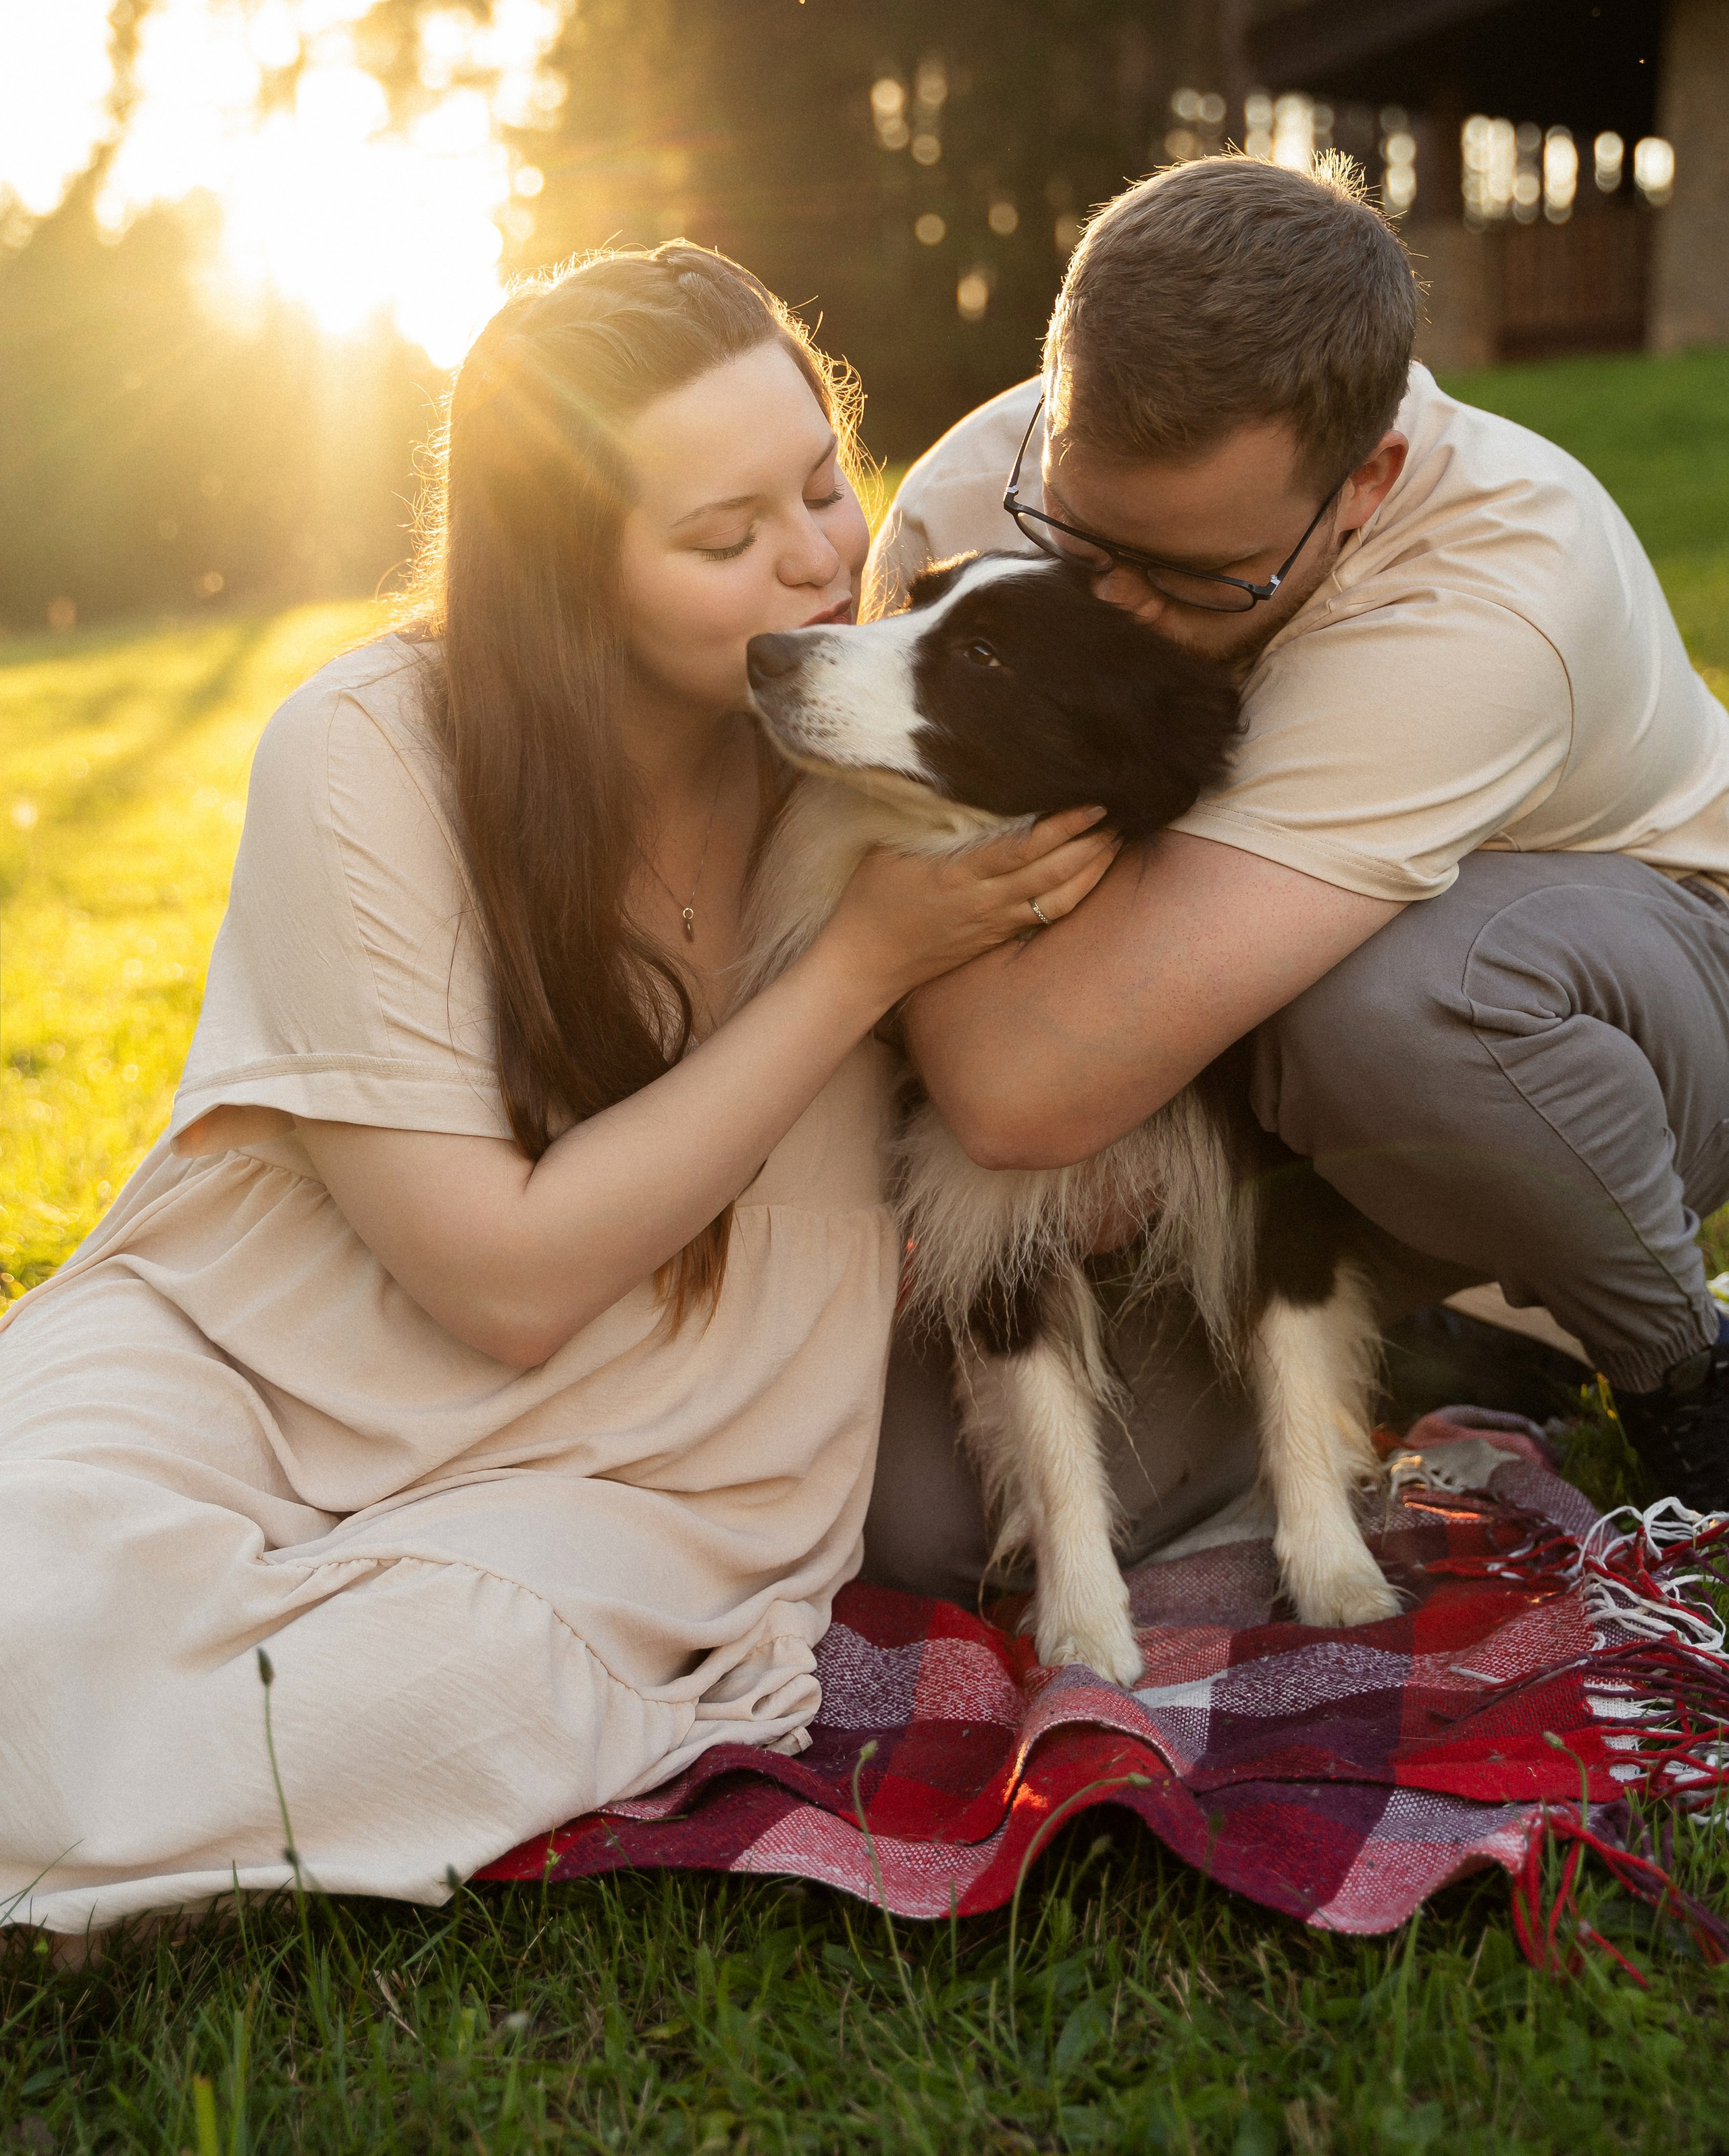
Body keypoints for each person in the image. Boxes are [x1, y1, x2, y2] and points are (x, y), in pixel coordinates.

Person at [0, 244, 1117, 1938]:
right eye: (724, 538)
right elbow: (500, 1282)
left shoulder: (887, 727)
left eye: (821, 483)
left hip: (647, 1457)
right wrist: (855, 966)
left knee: (442, 1693)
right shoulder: (367, 748)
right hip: (261, 1349)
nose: (819, 560)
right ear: (565, 580)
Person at [860, 153, 1729, 1602]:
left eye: (1195, 576)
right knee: (925, 1530)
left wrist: (1001, 1010)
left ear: (1363, 480)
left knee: (1389, 1006)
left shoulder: (1496, 589)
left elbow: (1013, 1092)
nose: (1116, 606)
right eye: (1081, 540)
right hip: (1222, 1090)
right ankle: (1444, 1322)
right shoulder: (971, 500)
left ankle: (1670, 1356)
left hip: (1602, 1006)